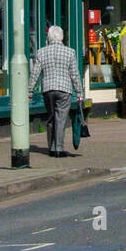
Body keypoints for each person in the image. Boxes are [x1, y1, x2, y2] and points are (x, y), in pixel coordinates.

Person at [29, 25, 83, 158]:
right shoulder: (70, 52)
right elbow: (75, 74)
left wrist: (29, 91)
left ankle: (51, 147)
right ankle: (58, 148)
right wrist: (80, 93)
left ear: (48, 37)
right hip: (64, 89)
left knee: (51, 117)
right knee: (61, 119)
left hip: (48, 89)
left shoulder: (41, 52)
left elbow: (35, 73)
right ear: (62, 37)